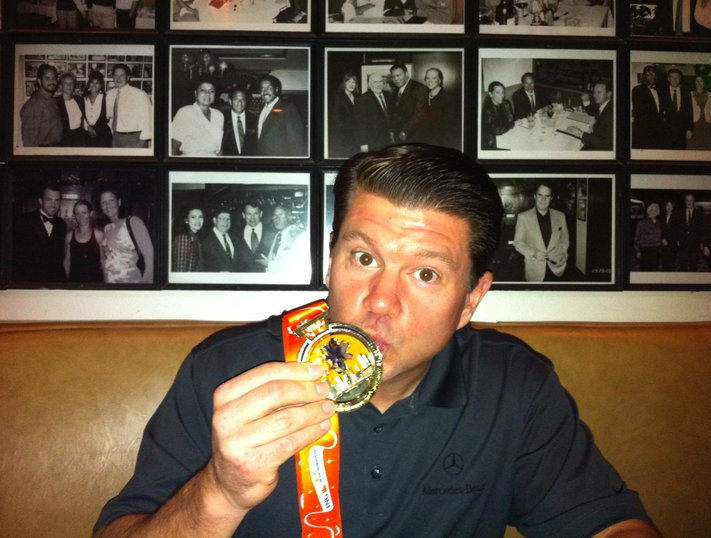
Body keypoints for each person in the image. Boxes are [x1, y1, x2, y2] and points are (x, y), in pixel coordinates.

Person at [93, 143, 659, 538]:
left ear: (471, 299)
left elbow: (611, 526)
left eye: (426, 273)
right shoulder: (227, 370)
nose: (381, 301)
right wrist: (220, 490)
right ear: (329, 259)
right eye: (364, 258)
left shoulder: (515, 386)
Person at [513, 183, 570, 282]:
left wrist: (563, 254)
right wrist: (534, 253)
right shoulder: (523, 217)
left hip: (557, 267)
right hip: (535, 268)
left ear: (551, 198)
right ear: (535, 196)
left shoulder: (561, 216)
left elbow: (565, 240)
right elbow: (518, 243)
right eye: (540, 195)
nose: (543, 199)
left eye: (547, 196)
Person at [13, 184, 67, 282]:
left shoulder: (61, 224)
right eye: (49, 200)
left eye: (57, 200)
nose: (53, 204)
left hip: (55, 281)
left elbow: (59, 257)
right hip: (30, 281)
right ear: (40, 201)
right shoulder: (24, 221)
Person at [99, 189, 154, 284]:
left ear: (119, 202)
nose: (107, 205)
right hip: (110, 285)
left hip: (131, 283)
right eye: (104, 202)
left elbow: (150, 256)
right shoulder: (106, 228)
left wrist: (145, 285)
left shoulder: (133, 222)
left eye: (111, 200)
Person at [255, 75, 306, 157]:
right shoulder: (262, 109)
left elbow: (296, 143)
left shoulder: (288, 108)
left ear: (276, 89)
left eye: (269, 88)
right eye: (262, 89)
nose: (265, 91)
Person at [171, 79, 224, 156]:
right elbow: (173, 148)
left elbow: (219, 147)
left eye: (211, 91)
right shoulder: (185, 112)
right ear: (196, 93)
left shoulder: (219, 115)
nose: (207, 94)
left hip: (213, 160)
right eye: (203, 90)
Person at [106, 64, 153, 149]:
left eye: (122, 75)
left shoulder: (140, 94)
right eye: (115, 75)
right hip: (116, 137)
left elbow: (149, 119)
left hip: (134, 138)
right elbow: (107, 114)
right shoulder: (110, 94)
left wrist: (141, 142)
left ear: (128, 77)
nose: (118, 78)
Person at [20, 63, 63, 148]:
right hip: (43, 150)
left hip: (53, 149)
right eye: (47, 78)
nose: (52, 81)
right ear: (39, 81)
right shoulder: (34, 105)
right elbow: (29, 142)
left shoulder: (50, 99)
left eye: (54, 78)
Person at [415, 67, 458, 148]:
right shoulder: (423, 96)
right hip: (424, 142)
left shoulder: (447, 99)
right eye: (427, 78)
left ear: (439, 80)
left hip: (440, 143)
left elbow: (450, 129)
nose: (430, 81)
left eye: (434, 78)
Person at [63, 200, 105, 283]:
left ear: (90, 213)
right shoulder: (69, 236)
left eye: (84, 213)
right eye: (78, 213)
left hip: (95, 282)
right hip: (75, 282)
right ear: (74, 215)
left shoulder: (98, 234)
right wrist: (66, 282)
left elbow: (103, 260)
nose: (81, 216)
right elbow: (67, 261)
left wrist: (106, 281)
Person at [261, 204, 310, 275]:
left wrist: (269, 264)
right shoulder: (278, 236)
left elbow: (297, 266)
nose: (277, 218)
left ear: (290, 217)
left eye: (281, 215)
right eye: (275, 215)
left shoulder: (300, 236)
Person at [567, 80, 614, 151]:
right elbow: (594, 112)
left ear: (609, 94)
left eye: (599, 92)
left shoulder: (611, 112)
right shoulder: (607, 105)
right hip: (596, 138)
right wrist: (586, 100)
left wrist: (580, 133)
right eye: (594, 92)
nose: (595, 95)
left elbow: (606, 142)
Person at [389, 62, 428, 143]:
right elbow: (394, 113)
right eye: (393, 76)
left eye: (399, 75)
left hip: (412, 136)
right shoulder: (395, 91)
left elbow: (419, 115)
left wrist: (404, 132)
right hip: (398, 137)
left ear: (406, 73)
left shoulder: (419, 88)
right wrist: (392, 130)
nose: (396, 79)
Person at [356, 73, 393, 152]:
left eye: (380, 81)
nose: (378, 84)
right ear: (369, 84)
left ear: (383, 83)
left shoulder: (388, 96)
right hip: (372, 143)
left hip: (387, 141)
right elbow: (361, 123)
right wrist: (363, 144)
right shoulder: (363, 99)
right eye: (375, 82)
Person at [234, 202, 273, 272]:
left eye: (255, 213)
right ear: (243, 215)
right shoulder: (235, 234)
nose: (252, 218)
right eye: (249, 214)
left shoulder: (271, 232)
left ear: (261, 214)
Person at [631, 65, 664, 150]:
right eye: (648, 74)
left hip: (659, 129)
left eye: (653, 73)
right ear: (644, 76)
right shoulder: (637, 90)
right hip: (644, 129)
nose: (651, 76)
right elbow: (638, 110)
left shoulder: (660, 90)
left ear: (656, 76)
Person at [330, 73, 360, 158]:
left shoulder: (357, 97)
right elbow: (335, 118)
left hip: (356, 136)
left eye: (353, 82)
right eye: (349, 81)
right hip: (343, 136)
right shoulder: (339, 97)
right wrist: (346, 128)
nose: (351, 84)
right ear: (344, 83)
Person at [661, 68, 693, 150]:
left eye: (677, 77)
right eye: (672, 77)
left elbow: (689, 111)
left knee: (680, 152)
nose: (674, 80)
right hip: (666, 131)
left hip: (681, 131)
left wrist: (689, 129)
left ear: (680, 79)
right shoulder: (662, 92)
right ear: (668, 78)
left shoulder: (686, 92)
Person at [221, 89, 258, 157]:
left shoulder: (254, 119)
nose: (240, 102)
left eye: (242, 99)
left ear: (246, 102)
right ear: (230, 101)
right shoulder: (222, 119)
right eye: (236, 99)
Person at [82, 71, 114, 148]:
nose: (94, 85)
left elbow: (110, 118)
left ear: (101, 85)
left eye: (97, 83)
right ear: (88, 84)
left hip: (103, 136)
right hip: (87, 136)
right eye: (92, 82)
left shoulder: (106, 98)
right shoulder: (83, 98)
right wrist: (88, 127)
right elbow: (81, 116)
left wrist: (97, 129)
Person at [481, 81, 514, 150]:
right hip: (492, 142)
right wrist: (511, 125)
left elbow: (511, 119)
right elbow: (496, 131)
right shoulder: (487, 109)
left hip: (506, 134)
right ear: (490, 94)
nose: (502, 95)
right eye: (498, 92)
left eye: (502, 92)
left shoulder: (506, 104)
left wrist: (511, 124)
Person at [687, 75, 711, 151]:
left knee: (707, 147)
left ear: (704, 83)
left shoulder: (710, 94)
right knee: (693, 147)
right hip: (694, 125)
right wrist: (688, 128)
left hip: (707, 124)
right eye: (697, 81)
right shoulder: (690, 94)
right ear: (694, 82)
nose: (699, 83)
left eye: (701, 81)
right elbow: (687, 112)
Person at [55, 72, 85, 147]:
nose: (69, 85)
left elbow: (84, 118)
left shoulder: (79, 99)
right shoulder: (55, 102)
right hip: (63, 140)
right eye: (66, 83)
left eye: (71, 83)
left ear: (74, 85)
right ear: (61, 85)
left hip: (79, 137)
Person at [676, 192, 704, 271]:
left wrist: (701, 242)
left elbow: (702, 229)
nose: (689, 202)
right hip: (683, 244)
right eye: (687, 200)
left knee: (693, 266)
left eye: (691, 200)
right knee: (683, 266)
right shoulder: (680, 213)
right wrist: (678, 240)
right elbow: (677, 228)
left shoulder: (699, 213)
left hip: (695, 244)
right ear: (685, 202)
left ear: (693, 202)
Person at [171, 207, 204, 272]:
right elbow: (180, 270)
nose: (198, 220)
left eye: (200, 217)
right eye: (193, 217)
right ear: (186, 220)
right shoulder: (183, 239)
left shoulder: (196, 238)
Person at [634, 203, 663, 271]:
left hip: (656, 250)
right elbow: (637, 238)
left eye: (656, 210)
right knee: (645, 271)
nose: (654, 212)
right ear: (649, 211)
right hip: (645, 250)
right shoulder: (642, 223)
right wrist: (638, 251)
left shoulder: (659, 223)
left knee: (654, 271)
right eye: (652, 210)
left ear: (657, 212)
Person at [660, 199, 680, 271]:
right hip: (663, 244)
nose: (669, 207)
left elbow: (677, 231)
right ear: (665, 207)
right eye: (667, 205)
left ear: (672, 207)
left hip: (672, 244)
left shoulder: (677, 217)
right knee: (664, 264)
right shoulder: (661, 217)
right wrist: (662, 239)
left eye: (670, 206)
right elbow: (660, 230)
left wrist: (669, 240)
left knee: (671, 264)